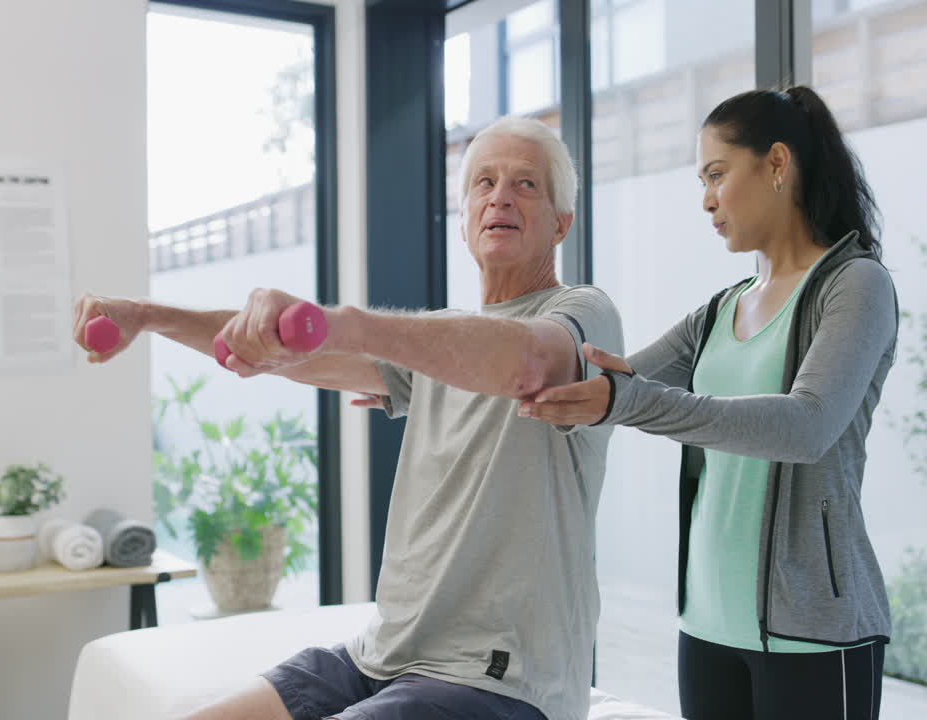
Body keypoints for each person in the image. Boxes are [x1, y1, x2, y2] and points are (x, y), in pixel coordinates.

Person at [73, 116, 623, 720]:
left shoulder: (582, 314)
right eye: (483, 183)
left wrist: (345, 322)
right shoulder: (437, 341)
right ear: (464, 219)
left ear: (561, 222)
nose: (500, 196)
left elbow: (525, 360)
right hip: (380, 656)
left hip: (499, 676)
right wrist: (147, 315)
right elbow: (299, 349)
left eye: (526, 185)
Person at [519, 86, 897, 720]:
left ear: (777, 164)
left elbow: (805, 427)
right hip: (707, 623)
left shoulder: (855, 285)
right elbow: (607, 381)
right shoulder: (723, 308)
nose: (706, 200)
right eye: (702, 180)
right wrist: (424, 375)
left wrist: (627, 401)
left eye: (717, 175)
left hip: (815, 633)